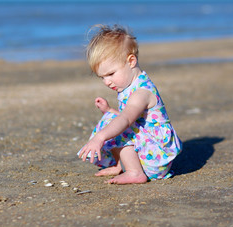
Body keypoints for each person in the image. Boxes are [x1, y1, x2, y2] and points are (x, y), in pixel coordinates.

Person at [78, 25, 182, 184]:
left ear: (131, 61)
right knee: (111, 118)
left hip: (156, 158)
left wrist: (99, 138)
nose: (107, 82)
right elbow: (132, 118)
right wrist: (109, 110)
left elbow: (126, 119)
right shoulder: (130, 85)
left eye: (111, 74)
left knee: (113, 126)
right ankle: (122, 164)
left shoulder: (141, 92)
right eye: (102, 77)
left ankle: (134, 172)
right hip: (149, 149)